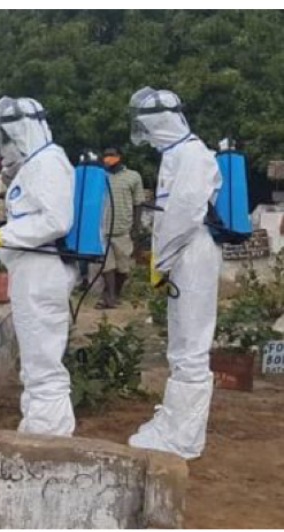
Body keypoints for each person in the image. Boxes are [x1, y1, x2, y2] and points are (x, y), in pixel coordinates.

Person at [0, 96, 77, 436]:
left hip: (43, 271)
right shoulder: (35, 165)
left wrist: (0, 235)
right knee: (34, 351)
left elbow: (57, 220)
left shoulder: (48, 163)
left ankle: (51, 431)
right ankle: (39, 423)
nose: (7, 143)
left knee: (43, 354)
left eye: (11, 135)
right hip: (31, 270)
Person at [126, 87, 221, 460]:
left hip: (191, 251)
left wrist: (161, 261)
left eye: (147, 127)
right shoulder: (177, 155)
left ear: (160, 122)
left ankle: (183, 439)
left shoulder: (192, 155)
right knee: (181, 342)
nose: (146, 135)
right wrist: (162, 260)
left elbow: (183, 215)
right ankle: (174, 424)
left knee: (192, 345)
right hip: (182, 253)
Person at [98, 146, 145, 309]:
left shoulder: (133, 177)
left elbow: (138, 202)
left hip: (123, 229)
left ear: (120, 156)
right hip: (103, 229)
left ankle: (115, 293)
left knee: (123, 269)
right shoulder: (100, 177)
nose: (108, 158)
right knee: (107, 266)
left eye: (111, 155)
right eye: (105, 155)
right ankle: (109, 297)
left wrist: (136, 227)